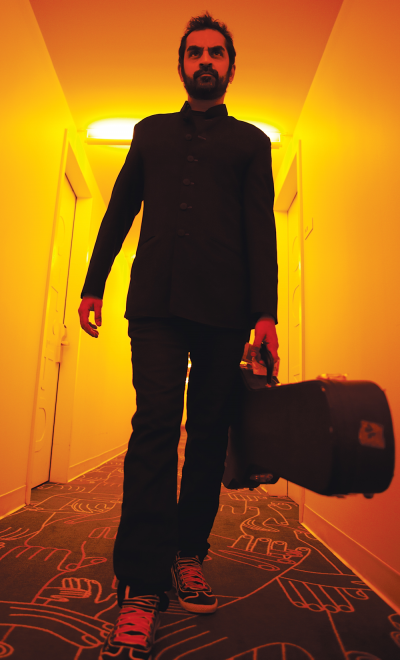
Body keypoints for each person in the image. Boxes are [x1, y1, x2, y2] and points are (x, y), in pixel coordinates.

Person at [78, 12, 279, 660]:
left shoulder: (252, 143)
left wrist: (266, 313)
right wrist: (93, 283)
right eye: (196, 52)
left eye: (216, 53)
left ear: (230, 66)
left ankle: (188, 552)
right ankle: (141, 584)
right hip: (156, 307)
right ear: (182, 64)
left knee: (209, 436)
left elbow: (261, 228)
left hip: (225, 311)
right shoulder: (150, 132)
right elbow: (119, 209)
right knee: (156, 429)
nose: (205, 61)